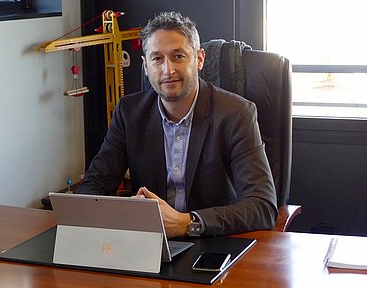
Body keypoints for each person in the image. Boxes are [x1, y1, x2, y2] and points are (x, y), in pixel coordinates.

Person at [77, 11, 278, 238]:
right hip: (151, 244)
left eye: (178, 56)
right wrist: (124, 212)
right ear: (145, 66)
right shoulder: (129, 113)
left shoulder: (236, 113)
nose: (168, 70)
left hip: (214, 244)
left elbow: (262, 207)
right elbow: (93, 186)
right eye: (157, 58)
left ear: (199, 59)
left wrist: (188, 223)